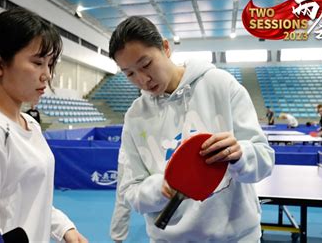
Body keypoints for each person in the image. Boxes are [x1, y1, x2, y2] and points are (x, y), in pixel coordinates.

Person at [108, 16, 274, 242]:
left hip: (237, 237)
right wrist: (161, 188)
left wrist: (240, 155)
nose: (143, 79)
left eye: (146, 64)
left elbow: (264, 160)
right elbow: (131, 192)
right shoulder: (135, 117)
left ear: (165, 48)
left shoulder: (221, 85)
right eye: (129, 74)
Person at [0, 8, 88, 243]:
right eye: (37, 62)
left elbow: (30, 197)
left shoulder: (30, 124)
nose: (46, 75)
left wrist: (65, 229)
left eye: (50, 64)